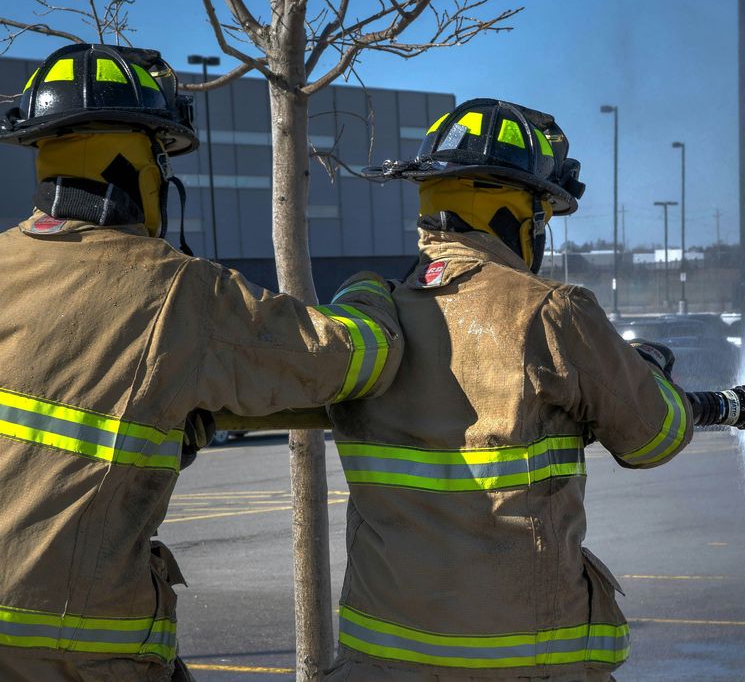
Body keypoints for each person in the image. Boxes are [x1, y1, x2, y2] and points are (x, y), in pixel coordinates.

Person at [0, 43, 402, 681]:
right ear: (148, 165)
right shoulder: (178, 292)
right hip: (76, 650)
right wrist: (371, 293)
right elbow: (348, 361)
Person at [324, 98, 693, 681]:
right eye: (539, 219)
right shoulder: (549, 314)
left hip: (379, 662)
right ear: (516, 218)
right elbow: (656, 437)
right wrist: (646, 375)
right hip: (525, 663)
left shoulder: (374, 318)